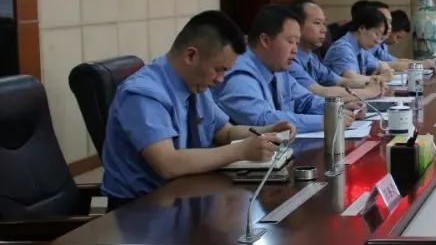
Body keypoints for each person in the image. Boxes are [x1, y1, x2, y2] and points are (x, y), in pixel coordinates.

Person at [101, 11, 294, 210]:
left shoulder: (196, 84)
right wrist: (241, 150)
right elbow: (167, 164)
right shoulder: (143, 93)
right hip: (141, 209)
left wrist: (267, 132)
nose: (220, 79)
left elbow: (225, 132)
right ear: (191, 55)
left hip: (187, 195)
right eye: (218, 69)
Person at [213, 4, 357, 133]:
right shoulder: (239, 73)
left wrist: (339, 109)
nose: (295, 50)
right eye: (290, 41)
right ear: (266, 40)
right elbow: (262, 119)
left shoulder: (277, 68)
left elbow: (306, 100)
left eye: (297, 43)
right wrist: (326, 121)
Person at [288, 0, 384, 100]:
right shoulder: (290, 59)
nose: (324, 30)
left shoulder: (311, 57)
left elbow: (342, 81)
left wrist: (375, 84)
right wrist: (369, 92)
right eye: (317, 23)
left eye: (324, 24)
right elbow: (318, 92)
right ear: (296, 25)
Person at [323, 2, 394, 80]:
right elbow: (351, 79)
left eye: (380, 37)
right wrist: (380, 78)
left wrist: (382, 68)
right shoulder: (342, 48)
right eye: (376, 34)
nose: (378, 41)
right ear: (362, 28)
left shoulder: (361, 49)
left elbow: (380, 65)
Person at [368, 0, 436, 70]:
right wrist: (423, 64)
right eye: (384, 21)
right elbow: (388, 65)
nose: (389, 27)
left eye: (389, 22)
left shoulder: (376, 47)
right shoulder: (365, 48)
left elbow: (394, 61)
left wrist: (423, 63)